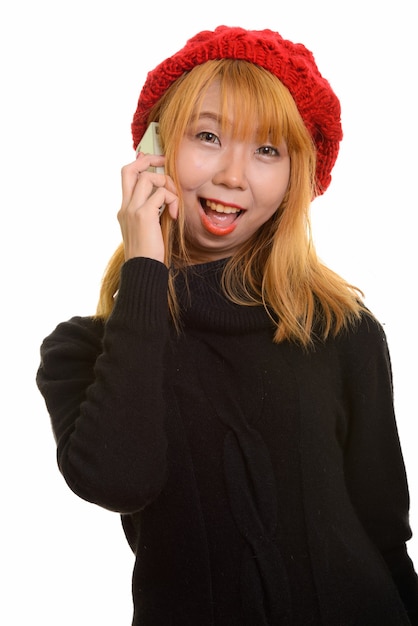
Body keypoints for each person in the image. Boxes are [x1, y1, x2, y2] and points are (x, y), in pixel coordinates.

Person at [36, 25, 418, 625]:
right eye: (208, 136)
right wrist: (144, 263)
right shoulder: (83, 351)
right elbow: (118, 480)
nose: (234, 176)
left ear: (298, 175)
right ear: (155, 151)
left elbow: (384, 528)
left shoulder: (342, 330)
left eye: (267, 150)